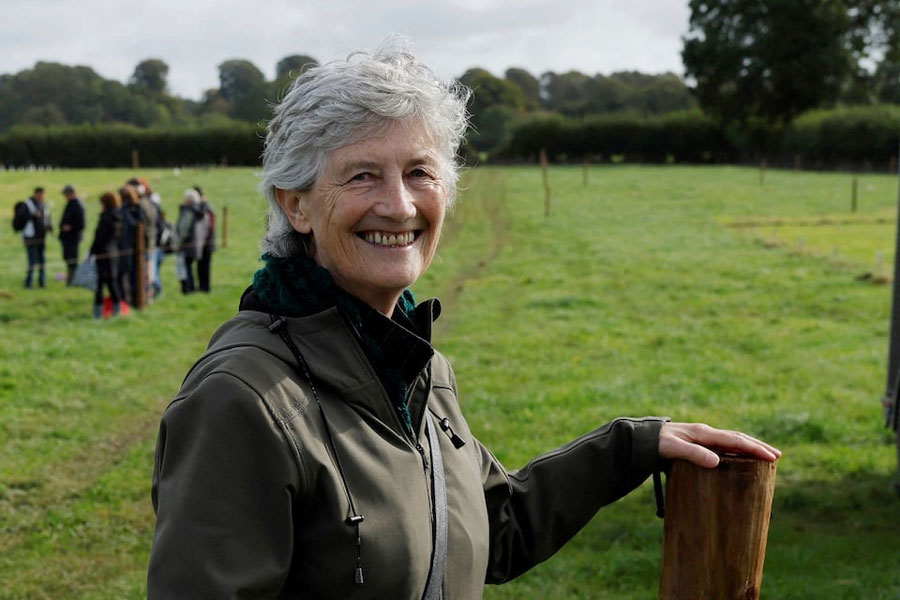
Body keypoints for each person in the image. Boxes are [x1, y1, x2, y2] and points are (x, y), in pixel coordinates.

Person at [147, 43, 780, 599]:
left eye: (419, 172)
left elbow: (485, 528)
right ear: (297, 205)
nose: (399, 205)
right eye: (363, 175)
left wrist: (630, 448)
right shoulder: (242, 401)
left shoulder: (413, 366)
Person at [88, 191, 124, 319]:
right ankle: (117, 310)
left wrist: (92, 251)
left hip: (103, 254)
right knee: (112, 283)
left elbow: (100, 238)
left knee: (99, 285)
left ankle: (97, 313)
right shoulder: (119, 216)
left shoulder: (106, 218)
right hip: (114, 253)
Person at [174, 188, 205, 294]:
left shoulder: (188, 211)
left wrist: (178, 244)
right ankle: (191, 288)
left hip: (186, 245)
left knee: (185, 268)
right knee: (189, 268)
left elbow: (183, 229)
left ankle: (188, 289)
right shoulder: (199, 211)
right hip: (195, 245)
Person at [21, 186, 52, 289]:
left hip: (41, 238)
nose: (41, 197)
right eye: (39, 195)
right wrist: (33, 215)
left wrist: (50, 228)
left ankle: (42, 282)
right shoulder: (27, 205)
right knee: (32, 261)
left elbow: (47, 219)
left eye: (42, 195)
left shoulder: (44, 205)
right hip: (30, 237)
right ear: (35, 194)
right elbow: (21, 218)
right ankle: (28, 283)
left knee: (42, 260)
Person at [58, 184, 86, 285]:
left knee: (72, 260)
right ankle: (70, 279)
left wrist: (70, 227)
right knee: (68, 258)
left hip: (73, 238)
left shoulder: (78, 205)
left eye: (66, 194)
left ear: (71, 193)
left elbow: (81, 224)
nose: (65, 196)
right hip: (66, 237)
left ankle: (72, 280)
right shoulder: (70, 203)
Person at [194, 185, 216, 292]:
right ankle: (202, 286)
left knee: (205, 266)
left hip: (207, 242)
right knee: (200, 265)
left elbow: (209, 225)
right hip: (205, 242)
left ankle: (205, 287)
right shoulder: (205, 206)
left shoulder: (205, 207)